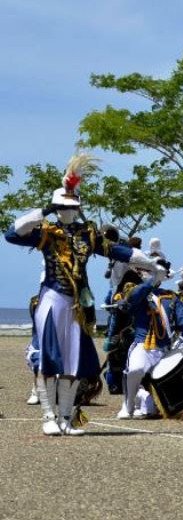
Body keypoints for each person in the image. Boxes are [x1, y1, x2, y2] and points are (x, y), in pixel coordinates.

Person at [5, 153, 157, 435]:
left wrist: (148, 262)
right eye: (62, 207)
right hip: (52, 298)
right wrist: (45, 210)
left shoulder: (88, 234)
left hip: (77, 304)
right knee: (51, 359)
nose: (67, 211)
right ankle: (49, 416)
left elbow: (117, 250)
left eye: (71, 206)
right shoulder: (47, 232)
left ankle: (67, 415)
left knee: (74, 362)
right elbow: (11, 234)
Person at [116, 259, 183, 419]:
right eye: (150, 272)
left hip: (167, 347)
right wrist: (152, 282)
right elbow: (131, 300)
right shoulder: (136, 291)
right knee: (135, 370)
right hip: (144, 344)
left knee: (160, 397)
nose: (153, 275)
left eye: (157, 273)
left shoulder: (171, 296)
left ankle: (154, 402)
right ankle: (128, 403)